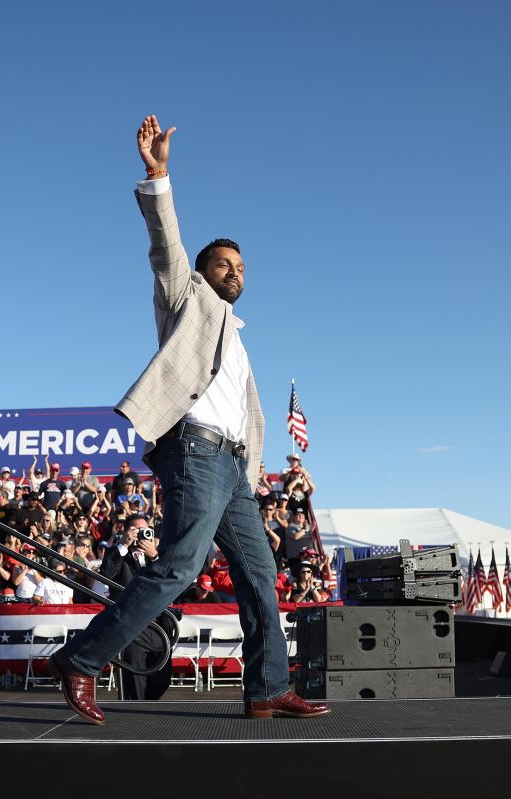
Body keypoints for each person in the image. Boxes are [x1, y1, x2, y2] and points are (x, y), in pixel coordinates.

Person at [48, 115, 329, 724]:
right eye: (226, 264)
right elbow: (166, 248)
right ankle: (82, 660)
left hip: (232, 468)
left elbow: (247, 418)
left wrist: (254, 474)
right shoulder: (187, 299)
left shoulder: (241, 337)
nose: (238, 272)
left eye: (243, 267)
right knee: (180, 566)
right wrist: (159, 177)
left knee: (260, 580)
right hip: (195, 453)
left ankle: (267, 690)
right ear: (204, 273)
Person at [96, 515, 172, 700]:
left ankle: (148, 705)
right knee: (133, 678)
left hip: (157, 623)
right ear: (128, 532)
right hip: (131, 626)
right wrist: (123, 545)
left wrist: (154, 556)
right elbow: (106, 574)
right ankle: (133, 716)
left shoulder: (158, 554)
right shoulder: (118, 553)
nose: (144, 535)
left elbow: (170, 579)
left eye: (147, 530)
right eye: (138, 531)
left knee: (162, 678)